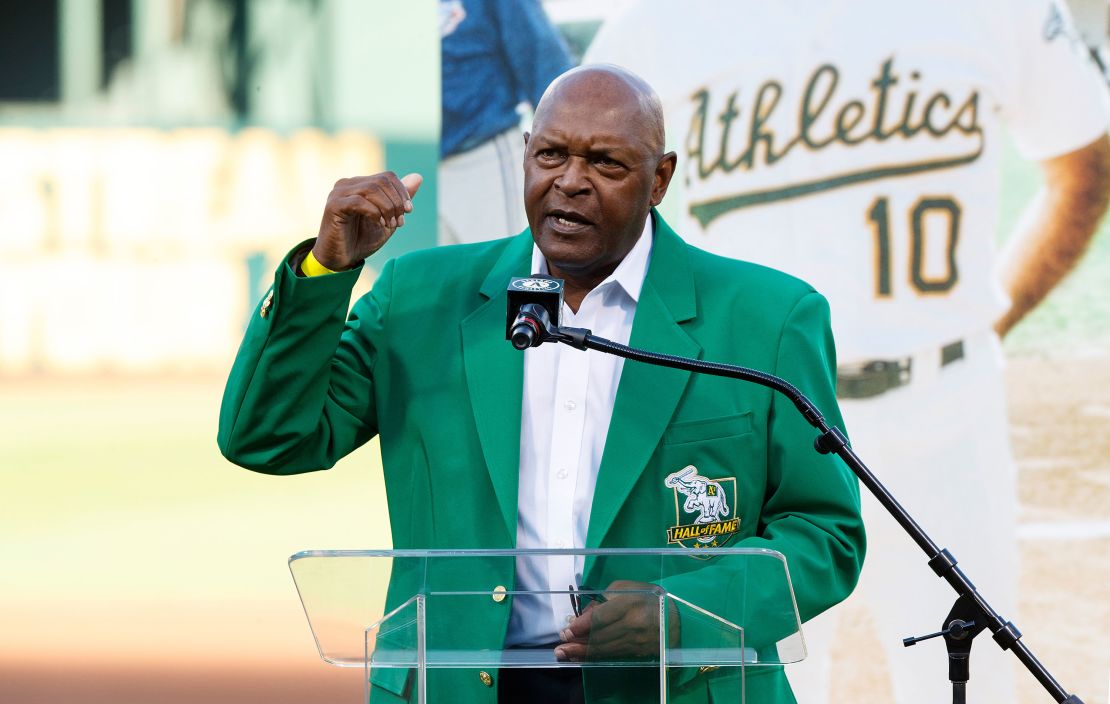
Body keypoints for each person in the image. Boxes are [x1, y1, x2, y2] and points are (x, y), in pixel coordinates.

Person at [218, 65, 866, 703]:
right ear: (525, 154)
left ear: (659, 178)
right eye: (551, 154)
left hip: (675, 688)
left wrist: (682, 614)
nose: (571, 182)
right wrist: (325, 269)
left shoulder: (769, 319)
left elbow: (824, 532)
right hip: (459, 686)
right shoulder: (419, 300)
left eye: (606, 163)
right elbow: (267, 437)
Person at [584, 1, 1110, 701]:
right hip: (748, 420)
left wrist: (981, 325)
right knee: (750, 675)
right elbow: (587, 215)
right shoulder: (652, 25)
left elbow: (1085, 159)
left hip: (944, 402)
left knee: (968, 679)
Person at [438, 0, 573, 245]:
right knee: (427, 278)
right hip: (413, 161)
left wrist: (566, 151)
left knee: (507, 271)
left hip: (482, 155)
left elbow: (541, 56)